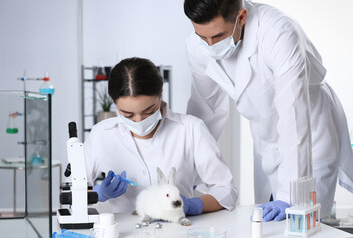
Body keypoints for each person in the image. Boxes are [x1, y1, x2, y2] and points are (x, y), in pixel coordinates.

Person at [184, 0, 353, 221]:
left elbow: (293, 114)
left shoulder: (278, 33)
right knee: (265, 225)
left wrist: (289, 196)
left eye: (217, 37)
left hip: (310, 133)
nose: (209, 45)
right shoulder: (196, 46)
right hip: (265, 137)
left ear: (241, 18)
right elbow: (206, 110)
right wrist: (190, 168)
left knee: (303, 224)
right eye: (202, 37)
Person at [84, 57, 238, 215]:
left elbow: (226, 191)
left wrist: (192, 205)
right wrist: (99, 194)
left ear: (161, 93)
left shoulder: (191, 129)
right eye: (128, 115)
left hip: (178, 229)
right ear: (115, 104)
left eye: (149, 111)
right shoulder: (101, 134)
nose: (138, 121)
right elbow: (71, 193)